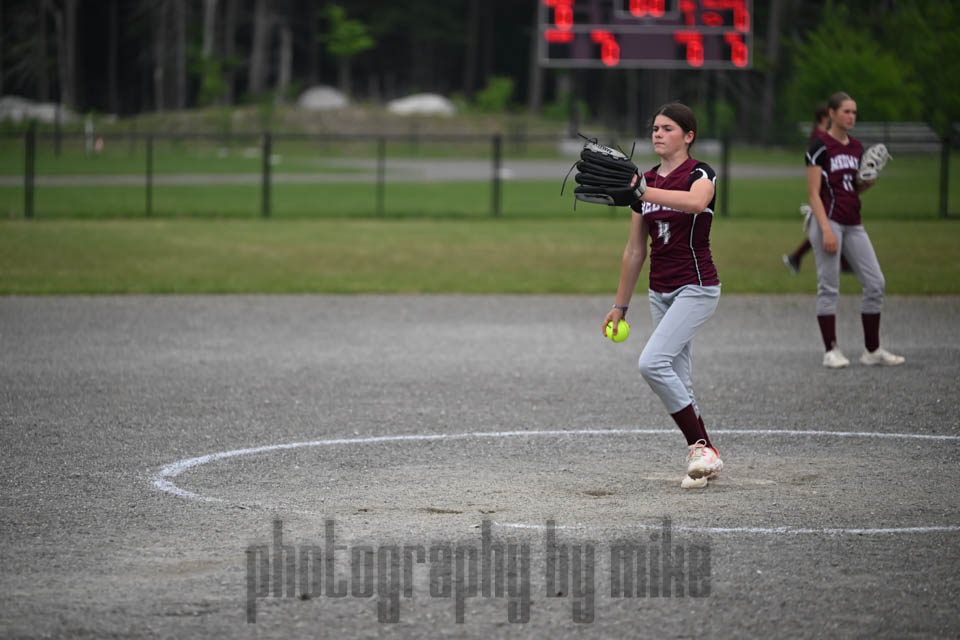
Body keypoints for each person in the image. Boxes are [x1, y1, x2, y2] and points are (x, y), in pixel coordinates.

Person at [603, 102, 723, 489]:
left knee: (652, 363)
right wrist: (620, 306)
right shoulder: (646, 180)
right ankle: (704, 459)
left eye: (667, 128)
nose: (658, 133)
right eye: (655, 128)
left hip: (697, 287)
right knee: (679, 379)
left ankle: (701, 449)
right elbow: (635, 250)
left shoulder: (699, 173)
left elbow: (697, 202)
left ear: (688, 136)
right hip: (661, 292)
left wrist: (643, 191)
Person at [805, 91, 904, 368]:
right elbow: (813, 193)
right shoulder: (820, 146)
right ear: (832, 114)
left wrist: (866, 184)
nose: (851, 116)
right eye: (846, 111)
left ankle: (872, 350)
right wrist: (825, 229)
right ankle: (831, 350)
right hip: (829, 220)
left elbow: (851, 189)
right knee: (829, 287)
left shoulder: (856, 147)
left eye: (854, 112)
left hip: (853, 221)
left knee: (875, 283)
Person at [783, 103, 852, 274]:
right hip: (823, 189)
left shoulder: (821, 134)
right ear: (824, 117)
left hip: (827, 188)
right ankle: (796, 258)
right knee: (829, 227)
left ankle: (796, 258)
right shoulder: (819, 137)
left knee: (827, 228)